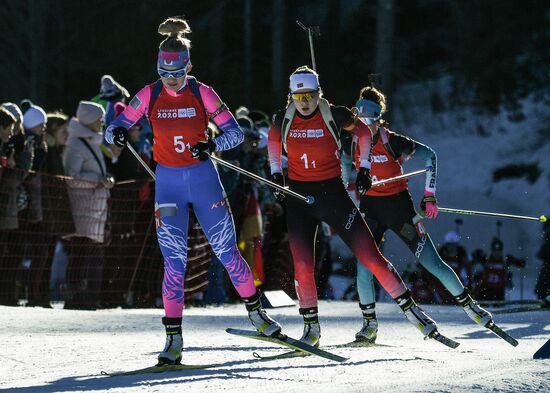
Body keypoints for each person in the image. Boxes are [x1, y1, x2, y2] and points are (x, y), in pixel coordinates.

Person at [104, 17, 281, 366]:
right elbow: (115, 127)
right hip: (168, 184)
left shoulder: (202, 91)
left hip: (203, 179)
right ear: (158, 68)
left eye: (177, 73)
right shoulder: (150, 93)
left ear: (188, 66)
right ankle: (173, 340)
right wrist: (118, 132)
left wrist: (212, 142)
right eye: (165, 72)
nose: (171, 80)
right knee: (174, 261)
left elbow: (235, 134)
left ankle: (258, 316)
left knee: (227, 252)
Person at [267, 65, 440, 347]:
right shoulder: (282, 118)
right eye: (299, 98)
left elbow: (363, 133)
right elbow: (273, 141)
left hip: (332, 195)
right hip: (299, 198)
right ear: (291, 98)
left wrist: (364, 168)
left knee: (370, 256)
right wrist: (276, 172)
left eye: (310, 95)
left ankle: (413, 313)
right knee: (302, 265)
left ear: (318, 93)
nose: (306, 102)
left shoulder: (335, 114)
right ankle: (311, 329)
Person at [351, 85, 492, 343]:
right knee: (363, 267)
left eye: (368, 121)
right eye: (358, 120)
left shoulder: (391, 140)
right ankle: (369, 325)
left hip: (399, 211)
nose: (362, 126)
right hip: (370, 211)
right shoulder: (352, 141)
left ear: (378, 119)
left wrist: (429, 195)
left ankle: (471, 307)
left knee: (431, 263)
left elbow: (431, 157)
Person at [63, 100, 114, 309]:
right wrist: (98, 180)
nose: (102, 121)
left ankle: (88, 297)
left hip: (94, 208)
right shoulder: (75, 144)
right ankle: (77, 297)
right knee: (81, 254)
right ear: (89, 120)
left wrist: (103, 179)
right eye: (99, 118)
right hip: (83, 208)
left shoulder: (91, 141)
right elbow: (71, 177)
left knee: (89, 254)